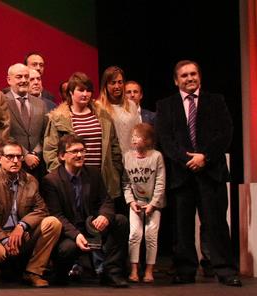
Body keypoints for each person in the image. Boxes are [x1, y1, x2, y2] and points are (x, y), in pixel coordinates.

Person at [156, 60, 241, 286]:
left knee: (216, 225)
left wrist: (204, 157)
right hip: (182, 175)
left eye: (193, 74)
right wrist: (187, 160)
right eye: (184, 75)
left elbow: (225, 133)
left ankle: (225, 270)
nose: (190, 78)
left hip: (211, 172)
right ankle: (185, 271)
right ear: (176, 81)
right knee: (182, 227)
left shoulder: (216, 101)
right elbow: (166, 139)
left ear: (200, 77)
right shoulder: (166, 105)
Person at [41, 134, 129, 288]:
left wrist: (104, 216)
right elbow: (56, 215)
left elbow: (106, 200)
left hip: (92, 226)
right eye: (74, 151)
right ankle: (61, 274)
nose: (80, 155)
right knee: (67, 249)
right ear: (62, 156)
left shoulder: (93, 173)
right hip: (68, 231)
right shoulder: (51, 180)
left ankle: (111, 273)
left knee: (120, 220)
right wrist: (76, 235)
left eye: (82, 151)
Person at [0, 140, 61, 288]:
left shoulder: (31, 180)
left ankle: (33, 272)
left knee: (53, 222)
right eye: (10, 156)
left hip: (22, 234)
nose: (15, 161)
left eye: (19, 156)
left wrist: (22, 226)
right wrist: (4, 238)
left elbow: (41, 209)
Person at [43, 72, 123, 202]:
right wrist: (64, 176)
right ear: (71, 93)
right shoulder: (59, 118)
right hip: (74, 180)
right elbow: (50, 151)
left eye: (88, 90)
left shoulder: (103, 116)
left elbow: (114, 145)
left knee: (103, 218)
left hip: (102, 178)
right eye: (81, 90)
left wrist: (115, 170)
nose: (85, 94)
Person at [123, 123, 165, 283]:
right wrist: (131, 201)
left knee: (151, 235)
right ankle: (134, 269)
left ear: (147, 141)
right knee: (134, 234)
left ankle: (149, 270)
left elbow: (160, 182)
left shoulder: (156, 157)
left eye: (138, 137)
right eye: (133, 136)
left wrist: (153, 204)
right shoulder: (127, 156)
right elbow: (125, 182)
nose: (134, 139)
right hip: (136, 203)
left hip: (154, 203)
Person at [4, 63, 50, 181]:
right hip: (12, 164)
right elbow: (3, 134)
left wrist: (35, 153)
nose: (24, 80)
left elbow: (45, 134)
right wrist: (24, 155)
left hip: (38, 165)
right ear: (9, 80)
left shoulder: (40, 103)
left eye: (26, 76)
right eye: (19, 77)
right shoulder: (1, 102)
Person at [97, 66, 141, 154]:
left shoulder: (131, 105)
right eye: (113, 83)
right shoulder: (99, 107)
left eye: (120, 82)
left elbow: (138, 132)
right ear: (105, 85)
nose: (117, 86)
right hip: (111, 159)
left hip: (132, 157)